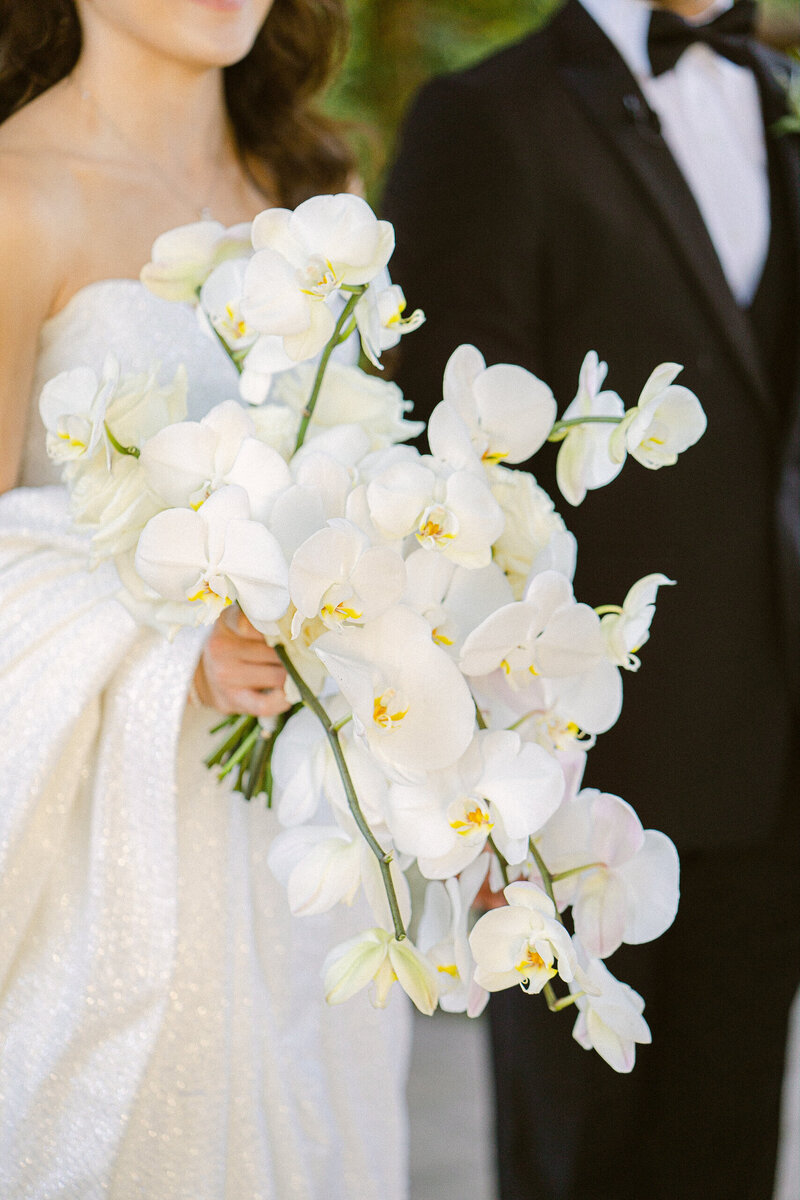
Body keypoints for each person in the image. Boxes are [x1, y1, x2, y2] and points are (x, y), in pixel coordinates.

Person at [383, 1, 800, 1197]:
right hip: (579, 776)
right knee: (577, 1167)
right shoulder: (483, 119)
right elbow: (455, 471)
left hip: (769, 762)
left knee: (730, 1157)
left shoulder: (777, 91)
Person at [0, 2, 410, 1196]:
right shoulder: (20, 196)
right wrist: (167, 649)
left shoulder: (312, 184)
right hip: (116, 852)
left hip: (306, 839)